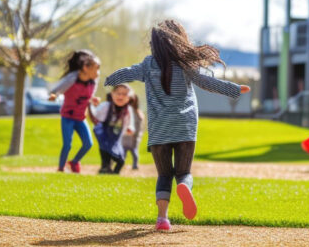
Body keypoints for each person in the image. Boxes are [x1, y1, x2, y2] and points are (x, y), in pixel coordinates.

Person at [105, 20, 250, 231]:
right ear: (180, 40)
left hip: (160, 129)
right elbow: (207, 82)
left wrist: (110, 79)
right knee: (184, 172)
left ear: (155, 43)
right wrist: (235, 89)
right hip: (185, 126)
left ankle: (162, 219)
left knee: (164, 175)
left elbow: (127, 72)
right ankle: (183, 186)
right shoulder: (186, 65)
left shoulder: (147, 64)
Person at [48, 49, 101, 173]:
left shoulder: (93, 81)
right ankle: (60, 169)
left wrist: (93, 100)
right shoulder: (72, 78)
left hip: (80, 117)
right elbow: (55, 90)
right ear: (85, 68)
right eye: (96, 68)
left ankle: (74, 162)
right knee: (67, 145)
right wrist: (54, 96)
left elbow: (88, 97)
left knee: (88, 143)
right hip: (68, 117)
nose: (98, 73)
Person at [90, 84, 136, 174]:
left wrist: (130, 128)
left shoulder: (128, 110)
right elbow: (95, 116)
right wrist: (92, 105)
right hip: (103, 134)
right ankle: (105, 169)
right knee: (106, 155)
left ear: (129, 98)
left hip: (115, 138)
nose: (120, 96)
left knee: (121, 160)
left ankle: (114, 174)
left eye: (124, 94)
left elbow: (130, 123)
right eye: (118, 93)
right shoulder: (106, 106)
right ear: (112, 94)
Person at [122, 93, 145, 170]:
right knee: (124, 151)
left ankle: (135, 165)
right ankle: (121, 163)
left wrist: (137, 136)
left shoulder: (138, 112)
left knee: (134, 150)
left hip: (134, 136)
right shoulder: (126, 110)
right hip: (126, 135)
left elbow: (139, 126)